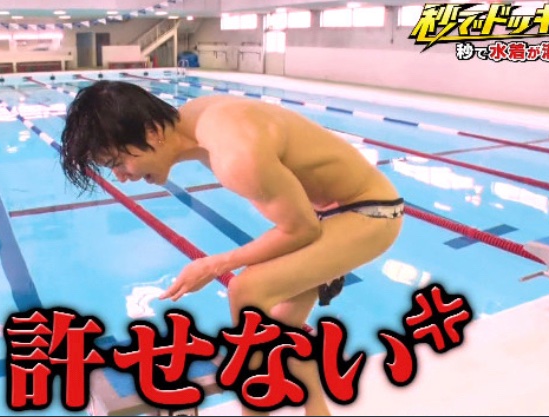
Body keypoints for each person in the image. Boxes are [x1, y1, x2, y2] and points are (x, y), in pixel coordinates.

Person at [60, 81, 404, 416]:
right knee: (282, 329)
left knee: (247, 291)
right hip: (329, 212)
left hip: (368, 212)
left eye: (118, 162)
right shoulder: (195, 120)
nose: (121, 177)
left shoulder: (234, 155)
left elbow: (301, 230)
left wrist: (213, 265)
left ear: (152, 131)